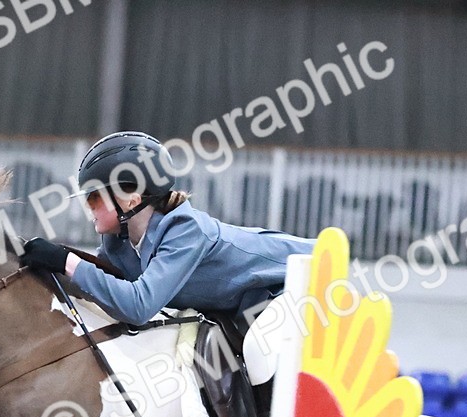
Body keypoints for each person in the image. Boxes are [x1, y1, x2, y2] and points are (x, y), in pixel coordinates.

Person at [19, 131, 315, 331]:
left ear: (131, 199)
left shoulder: (185, 231)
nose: (88, 206)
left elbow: (137, 306)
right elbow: (98, 286)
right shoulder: (118, 240)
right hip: (243, 307)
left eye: (94, 197)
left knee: (259, 356)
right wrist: (42, 262)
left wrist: (66, 261)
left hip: (303, 285)